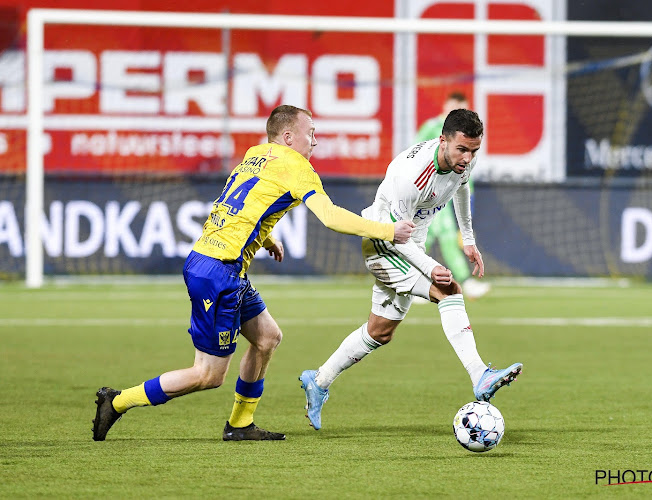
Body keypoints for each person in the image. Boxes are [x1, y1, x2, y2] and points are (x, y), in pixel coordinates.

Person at [92, 105, 415, 442]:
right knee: (208, 375)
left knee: (267, 338)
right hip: (218, 273)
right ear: (289, 137)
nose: (315, 142)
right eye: (311, 133)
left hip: (217, 263)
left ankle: (240, 424)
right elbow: (330, 216)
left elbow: (239, 204)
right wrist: (388, 231)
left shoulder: (256, 154)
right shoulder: (298, 167)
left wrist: (266, 238)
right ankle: (117, 402)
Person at [299, 109, 522, 431]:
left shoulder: (461, 161)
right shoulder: (411, 176)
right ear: (443, 140)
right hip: (384, 242)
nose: (468, 158)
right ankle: (479, 374)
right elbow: (395, 236)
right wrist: (432, 268)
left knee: (380, 332)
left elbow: (462, 188)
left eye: (474, 150)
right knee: (449, 290)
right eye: (462, 149)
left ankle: (318, 381)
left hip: (410, 244)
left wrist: (469, 240)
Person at [415, 91, 490, 300]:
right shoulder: (431, 126)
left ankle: (408, 280)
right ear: (446, 106)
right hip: (428, 193)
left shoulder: (466, 138)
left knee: (425, 238)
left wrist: (470, 197)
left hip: (449, 194)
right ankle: (466, 281)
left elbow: (466, 174)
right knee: (446, 235)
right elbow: (413, 154)